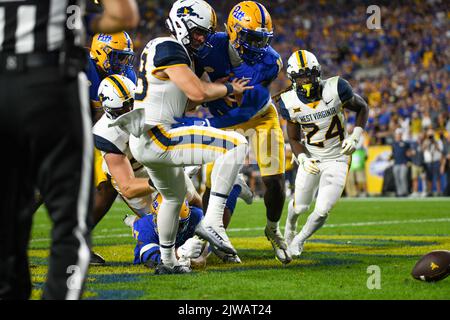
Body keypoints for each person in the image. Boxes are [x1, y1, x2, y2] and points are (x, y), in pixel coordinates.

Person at [0, 0, 139, 300]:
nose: (120, 63)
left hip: (6, 81)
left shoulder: (121, 73)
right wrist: (74, 27)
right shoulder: (87, 62)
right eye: (115, 57)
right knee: (68, 218)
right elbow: (124, 15)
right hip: (54, 83)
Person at [111, 0, 252, 274]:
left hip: (146, 138)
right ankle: (212, 221)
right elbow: (197, 93)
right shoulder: (169, 47)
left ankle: (167, 262)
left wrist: (212, 90)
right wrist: (226, 89)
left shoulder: (167, 49)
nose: (201, 38)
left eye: (205, 34)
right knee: (236, 145)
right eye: (198, 31)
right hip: (158, 134)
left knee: (174, 199)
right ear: (181, 23)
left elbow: (187, 102)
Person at [175, 1, 290, 264]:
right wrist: (206, 88)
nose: (258, 47)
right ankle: (204, 239)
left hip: (259, 118)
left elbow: (244, 97)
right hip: (224, 122)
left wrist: (206, 117)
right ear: (234, 31)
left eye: (263, 40)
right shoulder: (208, 47)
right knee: (215, 185)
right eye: (252, 38)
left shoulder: (271, 61)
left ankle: (272, 229)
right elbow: (190, 88)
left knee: (275, 182)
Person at [278, 50, 369, 257]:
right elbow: (293, 138)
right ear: (293, 79)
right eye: (301, 77)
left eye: (309, 75)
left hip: (338, 157)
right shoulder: (289, 102)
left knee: (322, 209)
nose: (307, 81)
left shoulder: (336, 88)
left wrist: (355, 136)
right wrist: (302, 157)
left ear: (317, 72)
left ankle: (299, 240)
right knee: (300, 207)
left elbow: (363, 107)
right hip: (312, 156)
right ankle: (290, 225)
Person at [87, 32, 138, 264]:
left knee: (107, 186)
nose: (121, 64)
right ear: (99, 51)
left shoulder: (126, 75)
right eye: (116, 57)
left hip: (99, 138)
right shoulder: (81, 67)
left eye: (124, 57)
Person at [391, 128, 411, 197]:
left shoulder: (405, 143)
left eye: (399, 134)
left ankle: (405, 192)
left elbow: (409, 153)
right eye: (397, 134)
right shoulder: (393, 144)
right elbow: (393, 153)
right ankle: (399, 193)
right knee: (397, 178)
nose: (398, 135)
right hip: (396, 163)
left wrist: (408, 161)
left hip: (404, 163)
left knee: (403, 177)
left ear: (401, 135)